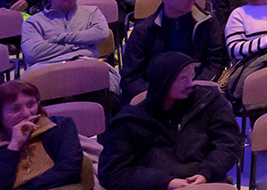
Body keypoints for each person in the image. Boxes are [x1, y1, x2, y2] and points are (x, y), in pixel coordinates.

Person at [96, 52, 242, 190]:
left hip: (205, 182)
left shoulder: (209, 102)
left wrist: (207, 172)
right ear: (163, 83)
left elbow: (229, 143)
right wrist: (166, 182)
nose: (191, 84)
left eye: (191, 76)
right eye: (183, 79)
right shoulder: (129, 121)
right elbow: (113, 171)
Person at [0, 81, 82, 190]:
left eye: (31, 104)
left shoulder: (61, 126)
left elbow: (70, 170)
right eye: (15, 109)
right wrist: (13, 147)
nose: (27, 114)